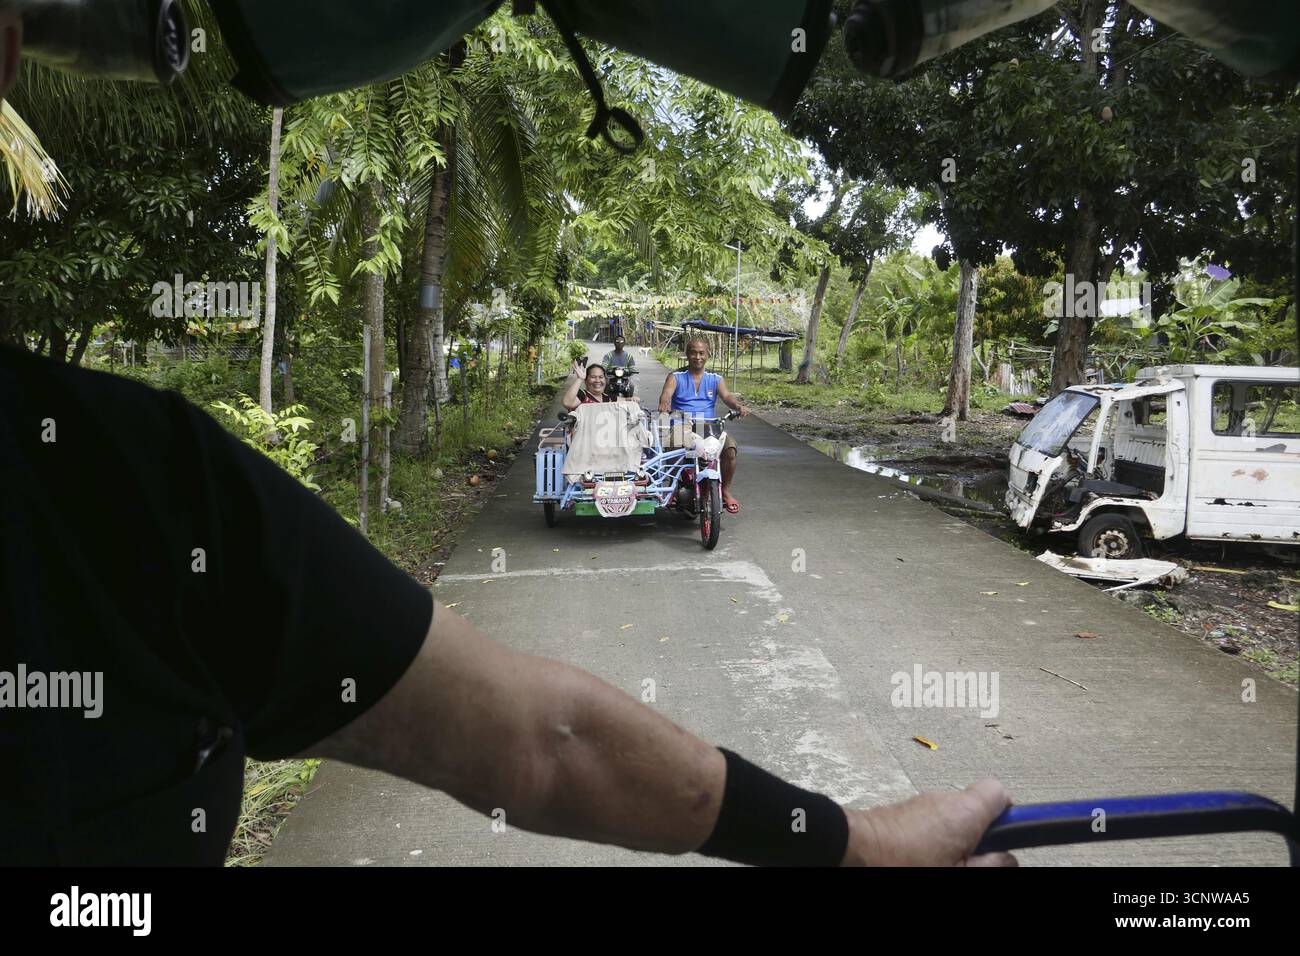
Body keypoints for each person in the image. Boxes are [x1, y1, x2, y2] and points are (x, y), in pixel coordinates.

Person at [0, 11, 1015, 868]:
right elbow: (542, 738)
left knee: (711, 454)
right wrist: (857, 842)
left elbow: (544, 736)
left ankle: (718, 487)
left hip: (683, 433)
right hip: (620, 436)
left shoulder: (127, 476)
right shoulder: (123, 470)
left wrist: (854, 839)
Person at [657, 335, 749, 514]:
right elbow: (666, 394)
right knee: (673, 444)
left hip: (709, 426)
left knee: (730, 449)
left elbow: (727, 396)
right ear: (687, 355)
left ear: (707, 354)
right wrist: (664, 403)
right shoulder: (675, 376)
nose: (697, 357)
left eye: (701, 353)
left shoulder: (715, 378)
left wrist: (737, 405)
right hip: (682, 425)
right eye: (693, 353)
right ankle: (675, 487)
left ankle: (725, 490)